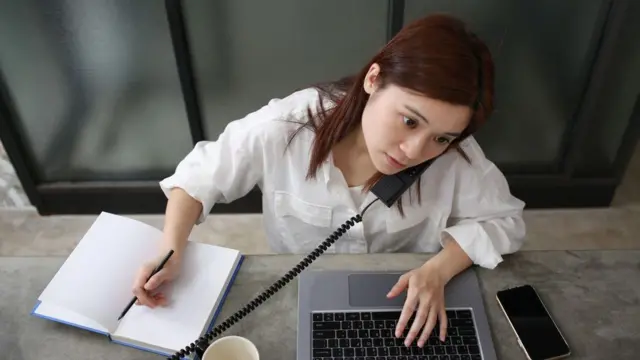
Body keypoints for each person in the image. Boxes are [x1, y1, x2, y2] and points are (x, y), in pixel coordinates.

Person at [131, 13, 526, 349]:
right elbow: (199, 174)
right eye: (409, 120)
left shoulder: (456, 156)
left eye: (441, 137)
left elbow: (505, 221)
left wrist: (438, 269)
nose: (414, 150)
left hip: (404, 303)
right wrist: (172, 247)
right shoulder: (288, 125)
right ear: (374, 78)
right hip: (301, 294)